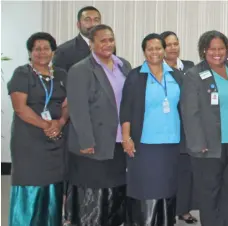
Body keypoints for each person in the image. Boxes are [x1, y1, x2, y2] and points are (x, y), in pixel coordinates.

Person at [65, 24, 131, 225]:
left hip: (119, 141)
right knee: (93, 197)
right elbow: (78, 110)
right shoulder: (80, 70)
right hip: (93, 143)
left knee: (116, 190)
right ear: (92, 44)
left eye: (111, 39)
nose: (108, 44)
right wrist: (86, 140)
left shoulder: (123, 65)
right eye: (102, 40)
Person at [119, 33, 184, 226]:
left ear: (164, 50)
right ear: (144, 52)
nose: (154, 52)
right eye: (150, 49)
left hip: (171, 142)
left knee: (167, 187)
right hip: (144, 143)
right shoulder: (136, 76)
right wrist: (126, 137)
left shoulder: (176, 75)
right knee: (145, 188)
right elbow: (126, 108)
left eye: (158, 48)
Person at [181, 30, 228, 226]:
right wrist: (198, 143)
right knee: (209, 195)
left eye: (221, 48)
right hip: (209, 145)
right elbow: (190, 113)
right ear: (204, 51)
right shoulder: (194, 75)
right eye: (212, 49)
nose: (217, 53)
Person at [7, 32, 67, 226]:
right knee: (30, 186)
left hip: (56, 141)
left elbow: (68, 104)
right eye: (37, 49)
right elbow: (20, 108)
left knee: (54, 189)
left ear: (53, 51)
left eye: (46, 48)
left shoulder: (61, 74)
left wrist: (60, 122)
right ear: (30, 52)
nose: (42, 52)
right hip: (29, 142)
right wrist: (47, 125)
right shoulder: (22, 73)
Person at [160, 30, 198, 224]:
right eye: (168, 44)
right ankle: (167, 209)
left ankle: (183, 209)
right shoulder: (158, 69)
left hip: (188, 128)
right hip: (168, 126)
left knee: (186, 172)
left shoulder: (190, 67)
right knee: (167, 171)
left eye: (176, 43)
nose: (173, 48)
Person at [53, 6, 101, 72]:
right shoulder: (64, 51)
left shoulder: (107, 47)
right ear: (78, 25)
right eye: (87, 20)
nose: (92, 24)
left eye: (96, 20)